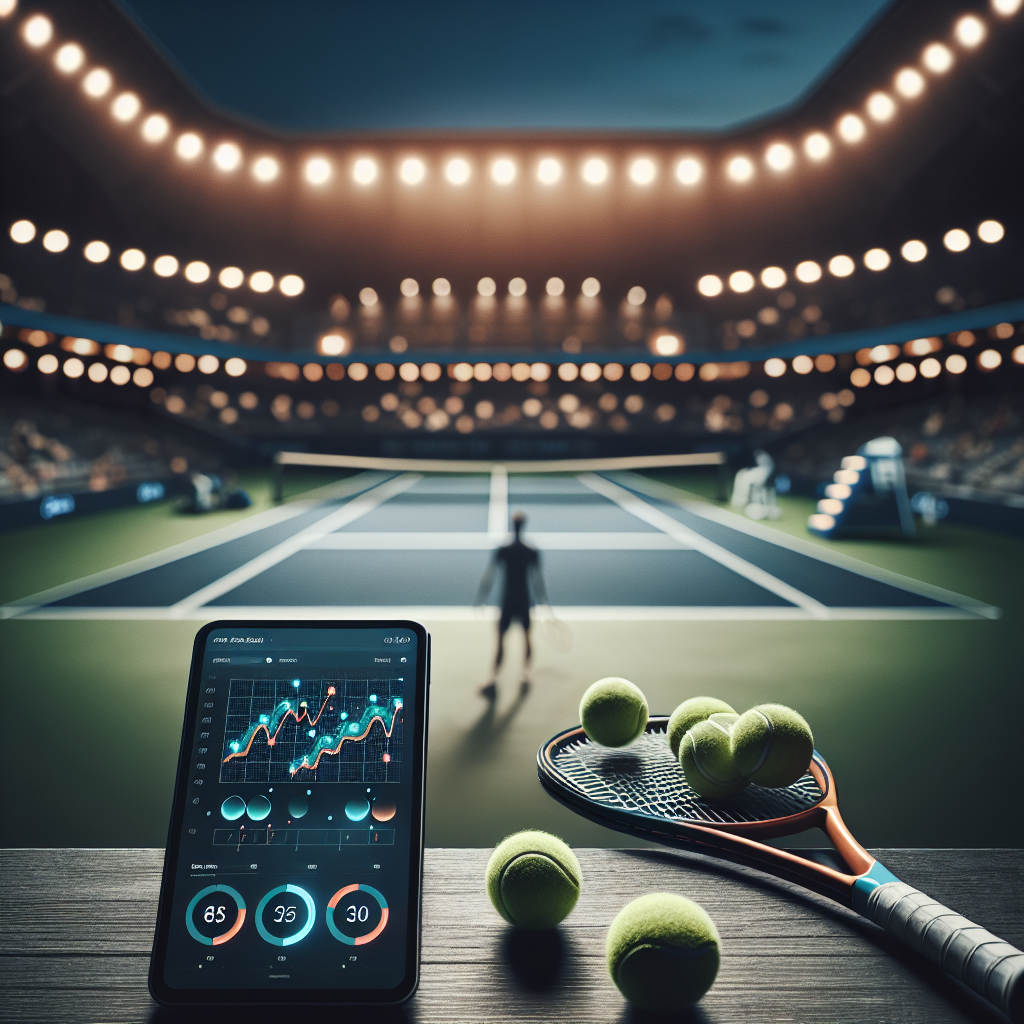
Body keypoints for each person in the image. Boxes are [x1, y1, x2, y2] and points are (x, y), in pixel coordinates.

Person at [475, 511, 548, 698]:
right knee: (527, 637)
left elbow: (489, 574)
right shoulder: (531, 550)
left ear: (513, 525)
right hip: (524, 601)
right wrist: (544, 602)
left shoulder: (504, 549)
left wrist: (481, 596)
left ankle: (492, 680)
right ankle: (525, 675)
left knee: (500, 641)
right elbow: (537, 579)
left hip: (508, 601)